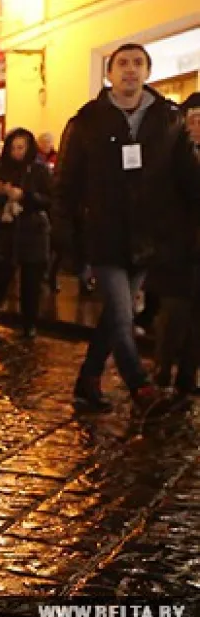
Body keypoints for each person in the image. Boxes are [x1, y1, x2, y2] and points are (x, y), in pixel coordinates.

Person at [58, 43, 200, 415]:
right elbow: (66, 183)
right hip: (103, 233)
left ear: (148, 72)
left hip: (146, 236)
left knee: (115, 316)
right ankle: (140, 386)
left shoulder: (168, 118)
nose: (130, 70)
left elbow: (189, 177)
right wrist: (68, 239)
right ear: (109, 74)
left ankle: (88, 379)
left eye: (138, 63)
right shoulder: (87, 119)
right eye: (122, 63)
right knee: (122, 314)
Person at [149, 91, 200, 397]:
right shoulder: (170, 155)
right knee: (173, 314)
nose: (196, 125)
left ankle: (188, 373)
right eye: (192, 119)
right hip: (176, 250)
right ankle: (163, 369)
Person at [0, 128, 52, 338]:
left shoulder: (39, 170)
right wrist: (1, 194)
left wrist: (25, 196)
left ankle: (29, 324)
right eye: (13, 148)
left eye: (21, 148)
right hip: (7, 231)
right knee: (0, 277)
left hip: (33, 232)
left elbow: (49, 199)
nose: (17, 152)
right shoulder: (1, 169)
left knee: (31, 283)